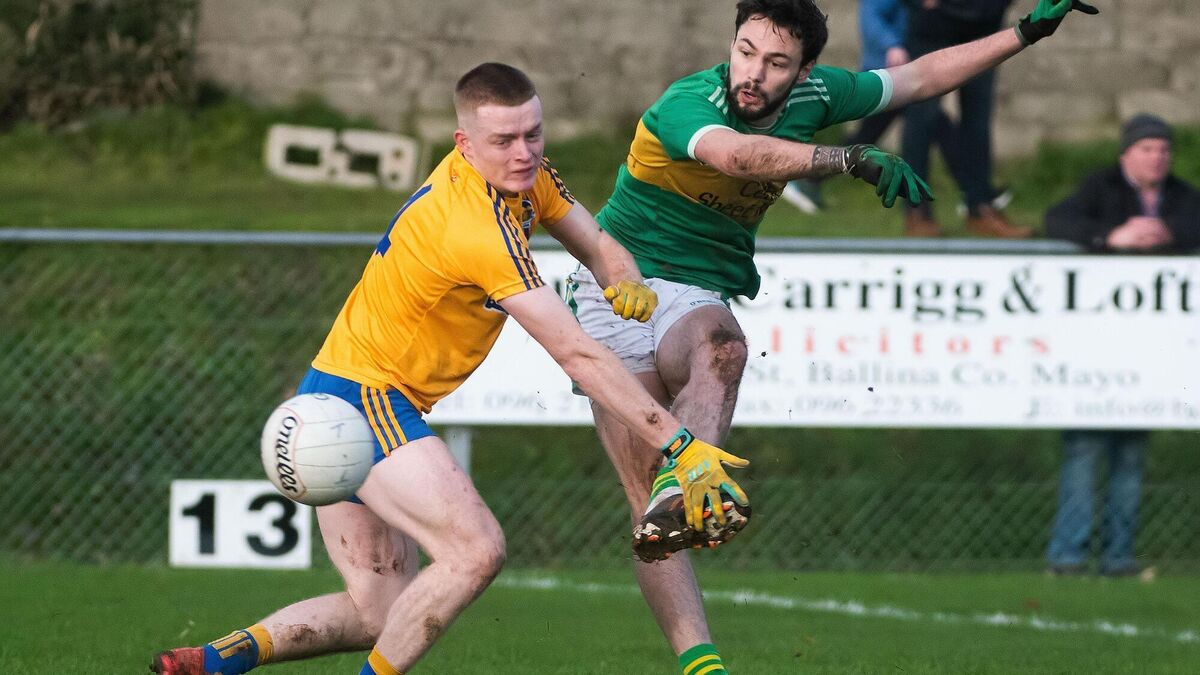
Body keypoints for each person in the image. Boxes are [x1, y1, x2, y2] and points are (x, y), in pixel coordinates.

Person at [148, 62, 752, 675]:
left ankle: (215, 661)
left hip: (337, 395)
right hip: (366, 402)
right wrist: (680, 444)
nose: (524, 152)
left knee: (378, 615)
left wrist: (621, 275)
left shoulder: (527, 178)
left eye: (533, 134)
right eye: (504, 140)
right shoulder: (475, 226)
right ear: (464, 142)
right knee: (475, 550)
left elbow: (594, 240)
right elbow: (576, 352)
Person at [574, 0, 1097, 672]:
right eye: (745, 51)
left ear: (805, 70)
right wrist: (847, 157)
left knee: (724, 350)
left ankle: (687, 484)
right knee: (647, 506)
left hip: (695, 291)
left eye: (776, 62)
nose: (753, 73)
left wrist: (1022, 34)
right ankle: (698, 654)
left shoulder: (819, 94)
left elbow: (921, 77)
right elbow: (738, 156)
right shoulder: (689, 102)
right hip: (617, 282)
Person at [1043, 113, 1200, 577]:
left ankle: (1118, 556)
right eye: (1148, 149)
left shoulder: (1182, 196)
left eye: (1164, 150)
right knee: (1085, 450)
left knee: (1131, 455)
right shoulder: (1101, 188)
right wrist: (1111, 238)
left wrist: (1169, 237)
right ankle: (1068, 556)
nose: (1158, 158)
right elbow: (1057, 220)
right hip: (1097, 347)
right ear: (1127, 154)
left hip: (1150, 351)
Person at [900, 0, 1031, 238]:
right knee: (922, 117)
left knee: (978, 120)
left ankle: (980, 208)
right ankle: (916, 211)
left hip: (983, 21)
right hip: (933, 21)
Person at [782, 0, 913, 214]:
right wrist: (891, 44)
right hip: (886, 73)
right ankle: (807, 178)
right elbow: (871, 17)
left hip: (901, 73)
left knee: (929, 126)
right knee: (865, 138)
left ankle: (809, 179)